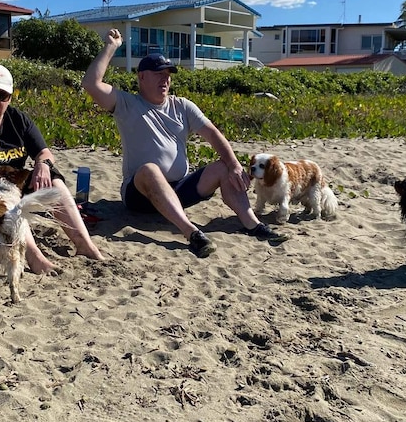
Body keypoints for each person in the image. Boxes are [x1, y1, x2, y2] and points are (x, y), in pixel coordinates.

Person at [81, 29, 286, 258]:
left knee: (225, 165)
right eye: (159, 73)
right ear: (141, 77)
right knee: (150, 169)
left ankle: (253, 225)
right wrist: (111, 46)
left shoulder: (182, 105)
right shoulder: (127, 104)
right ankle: (192, 233)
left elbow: (213, 134)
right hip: (140, 194)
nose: (165, 78)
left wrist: (235, 165)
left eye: (168, 74)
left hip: (179, 189)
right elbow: (90, 83)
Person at [0, 62, 104, 272]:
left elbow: (44, 152)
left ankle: (84, 244)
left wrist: (43, 164)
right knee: (3, 196)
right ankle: (34, 257)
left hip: (9, 187)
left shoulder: (18, 120)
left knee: (52, 177)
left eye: (3, 95)